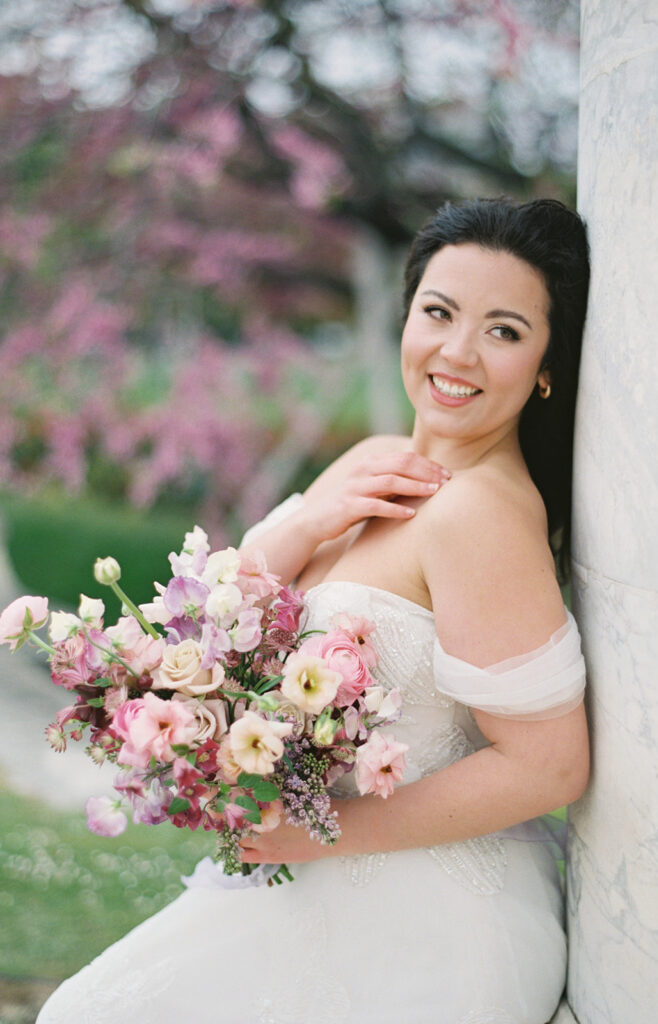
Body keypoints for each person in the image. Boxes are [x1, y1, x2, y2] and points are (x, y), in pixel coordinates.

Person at [37, 196, 591, 1024]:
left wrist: (319, 827)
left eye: (504, 331)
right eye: (438, 313)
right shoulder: (374, 458)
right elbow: (223, 617)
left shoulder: (478, 516)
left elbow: (549, 766)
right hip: (303, 876)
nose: (457, 351)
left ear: (546, 364)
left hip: (421, 907)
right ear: (406, 319)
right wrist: (305, 525)